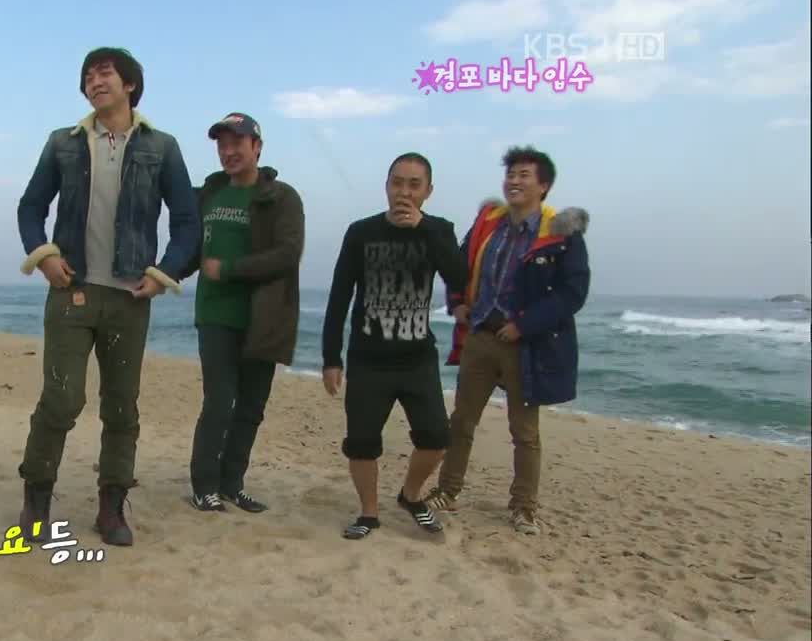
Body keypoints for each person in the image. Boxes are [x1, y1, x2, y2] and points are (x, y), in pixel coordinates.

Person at [15, 47, 199, 547]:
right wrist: (43, 256)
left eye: (104, 74)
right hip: (70, 290)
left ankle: (111, 508)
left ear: (130, 84)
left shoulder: (162, 147)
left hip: (129, 299)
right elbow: (31, 207)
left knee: (121, 408)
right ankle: (36, 500)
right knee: (61, 399)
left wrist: (164, 273)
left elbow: (187, 221)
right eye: (88, 77)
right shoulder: (63, 143)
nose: (95, 82)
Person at [426, 146, 591, 536]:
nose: (514, 181)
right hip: (481, 336)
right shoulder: (489, 224)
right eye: (511, 174)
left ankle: (523, 508)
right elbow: (459, 265)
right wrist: (457, 303)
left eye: (523, 175)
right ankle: (447, 491)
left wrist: (524, 325)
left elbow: (572, 293)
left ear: (543, 186)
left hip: (526, 346)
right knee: (462, 420)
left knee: (525, 432)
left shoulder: (560, 233)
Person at [321, 152, 467, 539]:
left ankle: (410, 495)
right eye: (397, 183)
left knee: (436, 438)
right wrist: (331, 358)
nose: (404, 192)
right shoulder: (361, 232)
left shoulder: (439, 230)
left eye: (414, 185)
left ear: (428, 191)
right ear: (386, 186)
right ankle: (369, 514)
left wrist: (425, 229)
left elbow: (459, 278)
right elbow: (340, 296)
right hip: (368, 358)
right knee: (362, 443)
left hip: (417, 357)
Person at [181, 113, 305, 513]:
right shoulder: (209, 194)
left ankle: (232, 483)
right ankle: (204, 485)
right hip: (215, 314)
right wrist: (161, 275)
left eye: (237, 143)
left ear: (257, 147)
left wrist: (231, 269)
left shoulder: (282, 197)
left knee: (251, 407)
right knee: (219, 402)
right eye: (222, 144)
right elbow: (190, 251)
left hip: (264, 318)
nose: (228, 151)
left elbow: (288, 253)